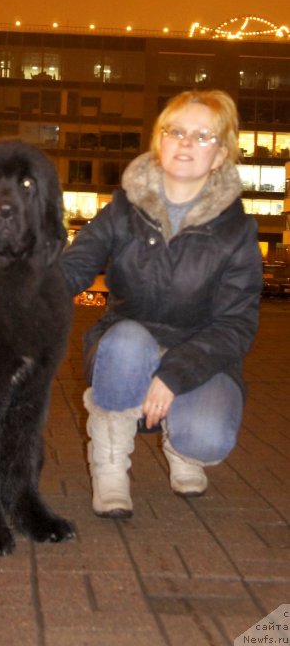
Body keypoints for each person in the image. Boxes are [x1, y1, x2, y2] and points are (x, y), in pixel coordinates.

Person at [61, 90, 262, 518]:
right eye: (176, 131)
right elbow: (75, 266)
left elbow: (236, 325)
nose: (186, 142)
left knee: (206, 437)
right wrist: (17, 296)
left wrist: (175, 373)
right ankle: (111, 463)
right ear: (160, 141)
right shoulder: (123, 208)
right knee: (127, 339)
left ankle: (182, 448)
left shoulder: (238, 230)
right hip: (125, 348)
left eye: (202, 135)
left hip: (202, 354)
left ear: (221, 153)